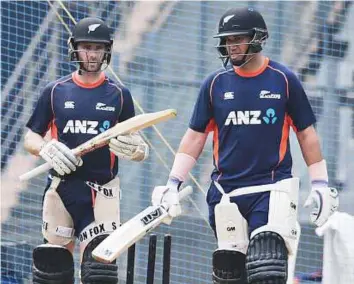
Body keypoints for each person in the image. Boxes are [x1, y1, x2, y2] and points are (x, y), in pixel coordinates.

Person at [151, 7, 339, 284]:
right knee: (230, 272)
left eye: (238, 39)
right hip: (225, 192)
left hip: (270, 188)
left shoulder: (283, 79)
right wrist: (173, 182)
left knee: (267, 267)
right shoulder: (215, 84)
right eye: (227, 40)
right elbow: (194, 137)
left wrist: (320, 184)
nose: (231, 46)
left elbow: (306, 134)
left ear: (258, 38)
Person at [24, 17, 149, 284]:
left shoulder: (119, 94)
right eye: (86, 47)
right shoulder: (55, 91)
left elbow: (135, 139)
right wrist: (46, 148)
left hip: (102, 191)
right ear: (75, 48)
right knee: (53, 269)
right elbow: (31, 137)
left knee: (98, 272)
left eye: (98, 47)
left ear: (107, 50)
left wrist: (138, 150)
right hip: (62, 188)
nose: (92, 54)